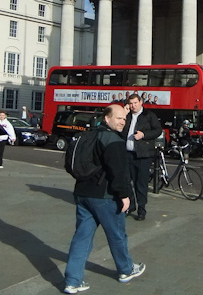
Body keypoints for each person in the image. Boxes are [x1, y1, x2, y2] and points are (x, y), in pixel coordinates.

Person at [63, 103, 145, 293]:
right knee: (117, 235)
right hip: (105, 196)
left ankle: (72, 281)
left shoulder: (88, 135)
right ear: (106, 118)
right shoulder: (112, 140)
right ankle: (125, 270)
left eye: (124, 119)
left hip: (83, 193)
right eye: (118, 118)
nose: (122, 122)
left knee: (81, 238)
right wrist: (124, 196)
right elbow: (119, 172)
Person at [124, 93, 162, 220]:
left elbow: (158, 131)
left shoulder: (149, 116)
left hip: (143, 155)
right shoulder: (127, 116)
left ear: (141, 102)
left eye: (135, 103)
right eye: (131, 103)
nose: (133, 106)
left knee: (141, 183)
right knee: (126, 181)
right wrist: (123, 113)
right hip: (127, 153)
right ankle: (131, 204)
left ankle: (141, 209)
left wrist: (143, 135)